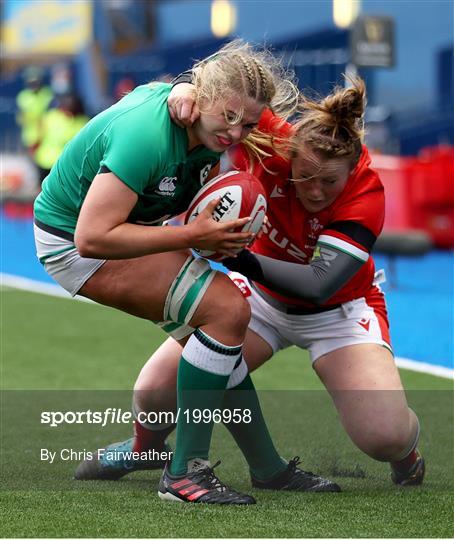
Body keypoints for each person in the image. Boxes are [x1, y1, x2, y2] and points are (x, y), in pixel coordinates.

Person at [34, 40, 339, 505]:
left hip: (125, 230)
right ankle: (184, 476)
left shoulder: (202, 116)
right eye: (230, 118)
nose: (237, 134)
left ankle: (258, 467)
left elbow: (183, 102)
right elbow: (90, 237)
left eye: (249, 123)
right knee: (226, 312)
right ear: (203, 96)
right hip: (73, 244)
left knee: (221, 332)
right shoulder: (148, 135)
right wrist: (193, 236)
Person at [89, 75, 424, 488]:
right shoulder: (270, 139)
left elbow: (319, 283)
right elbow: (220, 83)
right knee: (154, 394)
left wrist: (235, 255)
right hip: (262, 301)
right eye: (305, 177)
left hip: (337, 312)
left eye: (329, 182)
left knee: (384, 436)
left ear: (351, 170)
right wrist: (180, 89)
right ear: (291, 154)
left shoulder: (366, 190)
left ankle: (408, 454)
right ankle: (145, 447)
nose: (315, 192)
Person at [34, 93, 89, 185]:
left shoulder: (82, 122)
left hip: (66, 165)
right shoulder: (50, 117)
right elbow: (39, 136)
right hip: (46, 162)